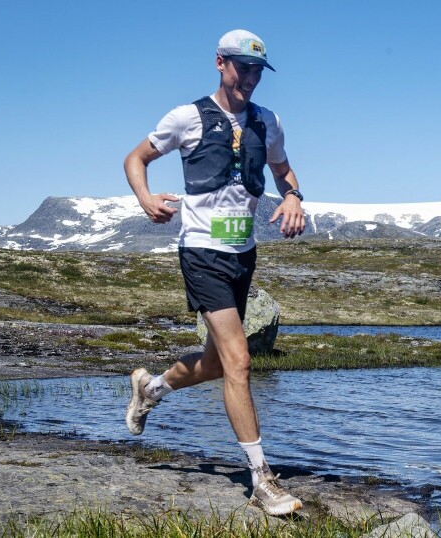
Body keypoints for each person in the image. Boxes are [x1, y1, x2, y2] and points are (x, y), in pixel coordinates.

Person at [122, 29, 306, 516]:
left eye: (257, 72)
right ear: (220, 63)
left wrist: (292, 196)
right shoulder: (187, 117)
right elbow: (135, 158)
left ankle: (151, 388)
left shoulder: (268, 121)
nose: (250, 79)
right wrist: (145, 198)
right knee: (240, 361)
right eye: (242, 68)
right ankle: (261, 479)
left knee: (218, 362)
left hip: (242, 253)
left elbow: (284, 168)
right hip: (201, 250)